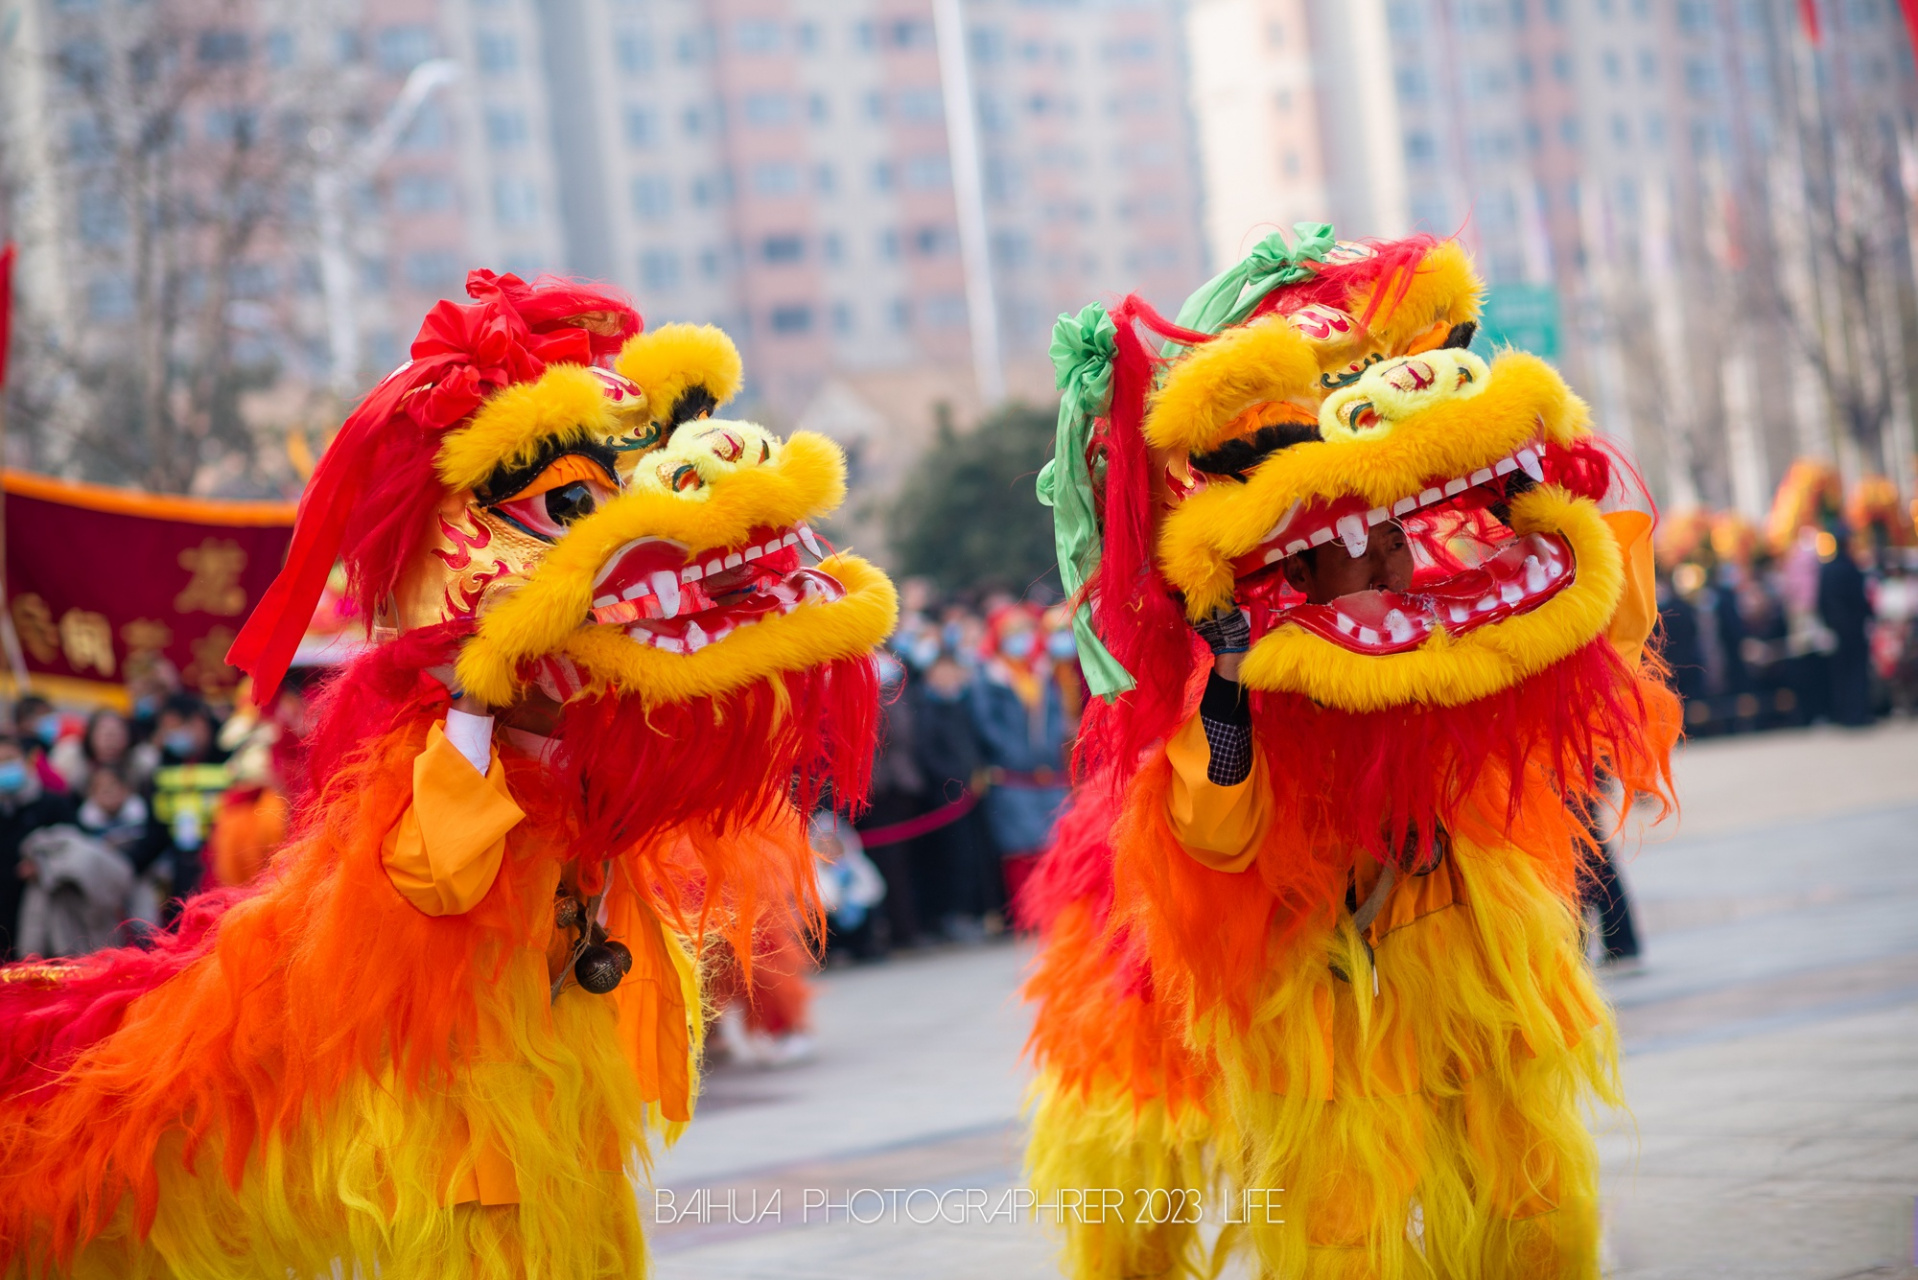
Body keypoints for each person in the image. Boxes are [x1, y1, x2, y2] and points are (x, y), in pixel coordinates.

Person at [970, 604, 1072, 913]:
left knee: (1053, 844)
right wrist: (1014, 754)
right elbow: (986, 725)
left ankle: (1056, 908)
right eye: (1012, 634)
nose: (1021, 639)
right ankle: (1027, 911)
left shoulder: (1042, 671)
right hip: (1012, 776)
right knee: (1019, 849)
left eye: (1025, 632)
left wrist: (1049, 751)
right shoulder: (989, 677)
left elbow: (1056, 716)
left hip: (1049, 773)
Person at [915, 650, 1001, 940]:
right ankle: (958, 914)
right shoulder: (927, 709)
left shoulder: (962, 704)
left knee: (979, 854)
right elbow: (929, 755)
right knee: (956, 856)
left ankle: (984, 911)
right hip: (949, 798)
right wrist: (959, 781)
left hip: (974, 793)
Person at [142, 695, 229, 906]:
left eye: (175, 728)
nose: (171, 737)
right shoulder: (165, 764)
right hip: (182, 868)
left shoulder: (232, 754)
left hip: (227, 865)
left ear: (198, 721)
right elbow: (156, 829)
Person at [0, 734, 79, 959]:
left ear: (26, 761)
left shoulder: (53, 804)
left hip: (45, 906)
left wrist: (43, 865)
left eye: (9, 759)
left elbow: (75, 846)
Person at [1818, 529, 1875, 726]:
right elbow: (1860, 599)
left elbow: (1821, 601)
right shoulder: (1851, 567)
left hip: (1836, 629)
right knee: (1857, 673)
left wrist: (1828, 623)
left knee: (1840, 674)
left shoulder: (1827, 569)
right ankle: (1858, 713)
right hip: (1854, 628)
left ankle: (1843, 714)